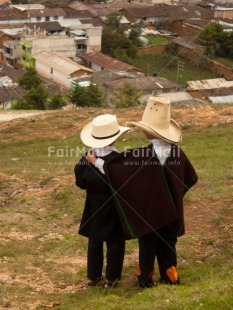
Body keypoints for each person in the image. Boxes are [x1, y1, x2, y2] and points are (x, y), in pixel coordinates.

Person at [87, 97, 198, 288]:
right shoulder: (179, 154)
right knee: (168, 245)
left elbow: (118, 173)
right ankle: (170, 276)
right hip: (173, 212)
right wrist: (173, 197)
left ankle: (145, 279)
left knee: (147, 246)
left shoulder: (143, 156)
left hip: (149, 214)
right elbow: (190, 177)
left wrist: (96, 162)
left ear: (149, 131)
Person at [74, 114, 130, 288]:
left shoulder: (86, 158)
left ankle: (93, 275)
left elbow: (80, 182)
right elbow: (121, 181)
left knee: (95, 240)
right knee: (115, 242)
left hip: (93, 206)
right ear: (114, 139)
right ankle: (111, 278)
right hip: (114, 207)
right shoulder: (119, 160)